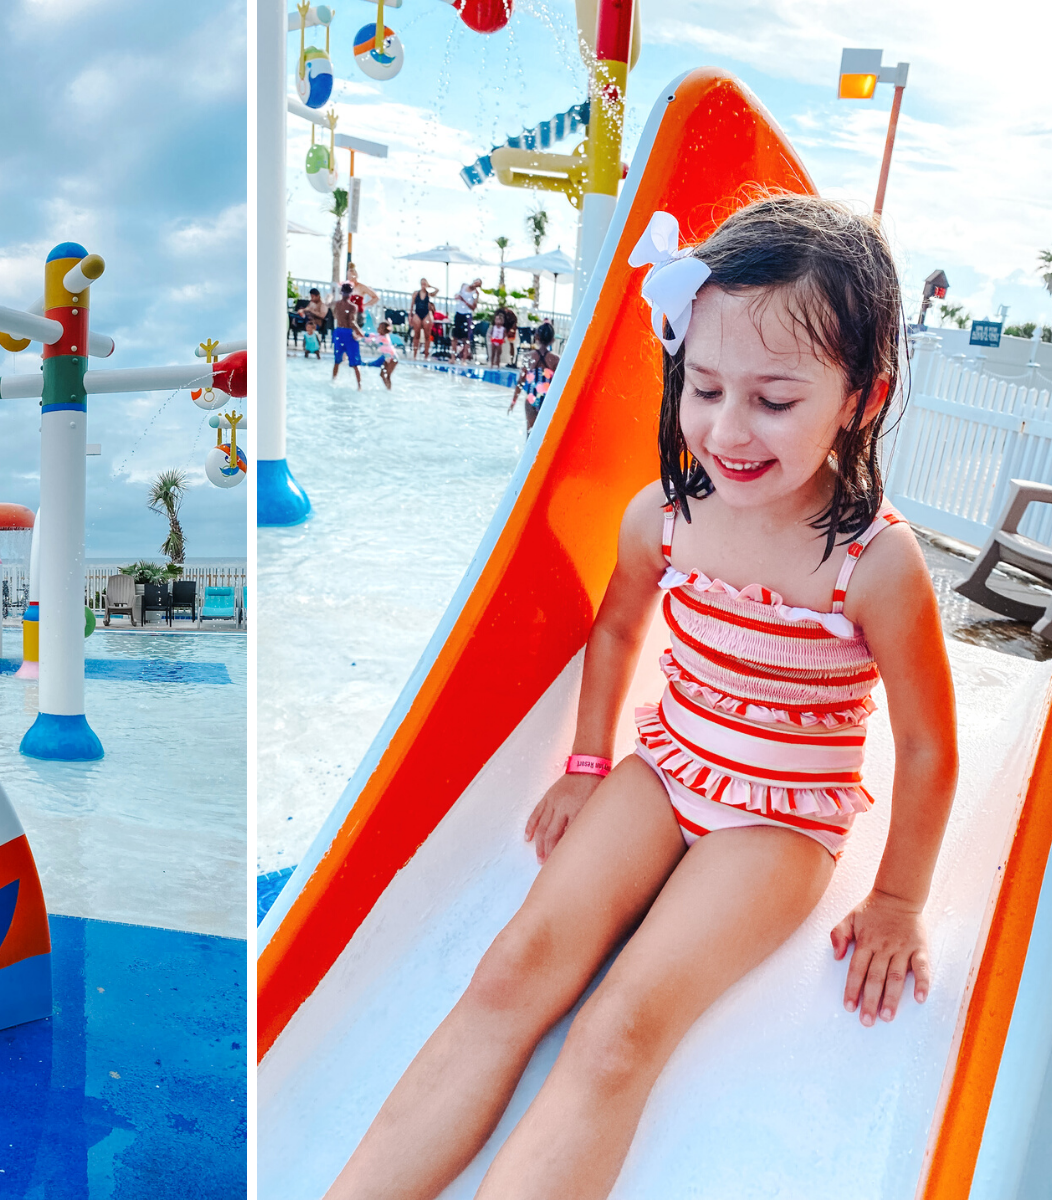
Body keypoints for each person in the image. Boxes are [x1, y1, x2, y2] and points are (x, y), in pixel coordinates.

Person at [322, 195, 955, 1200]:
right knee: (511, 969)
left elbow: (924, 747)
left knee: (619, 1031)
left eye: (773, 401)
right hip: (665, 771)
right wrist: (584, 766)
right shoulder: (661, 517)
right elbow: (616, 628)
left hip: (778, 820)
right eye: (701, 387)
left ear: (861, 399)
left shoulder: (874, 562)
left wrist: (895, 900)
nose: (725, 429)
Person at [510, 320, 559, 428]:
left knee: (530, 432)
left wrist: (513, 401)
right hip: (547, 401)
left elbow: (521, 381)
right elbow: (559, 385)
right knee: (544, 432)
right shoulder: (556, 359)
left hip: (531, 399)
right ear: (552, 340)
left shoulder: (528, 356)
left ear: (536, 337)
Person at [331, 282, 363, 389]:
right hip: (348, 334)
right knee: (355, 363)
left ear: (341, 292)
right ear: (351, 294)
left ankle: (333, 380)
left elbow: (335, 315)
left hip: (338, 332)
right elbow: (352, 322)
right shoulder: (352, 306)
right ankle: (359, 386)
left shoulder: (337, 304)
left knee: (337, 361)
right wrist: (360, 332)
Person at [364, 318, 399, 390]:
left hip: (392, 358)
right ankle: (388, 389)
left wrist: (366, 339)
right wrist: (362, 334)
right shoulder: (379, 335)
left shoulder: (384, 337)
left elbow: (374, 339)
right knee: (382, 375)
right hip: (387, 357)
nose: (377, 328)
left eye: (379, 327)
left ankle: (389, 389)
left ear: (383, 330)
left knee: (387, 375)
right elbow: (371, 335)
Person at [452, 278, 481, 361]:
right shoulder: (464, 286)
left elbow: (473, 307)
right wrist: (457, 297)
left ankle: (464, 358)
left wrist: (464, 301)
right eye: (476, 281)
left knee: (466, 338)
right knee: (455, 337)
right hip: (458, 313)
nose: (475, 284)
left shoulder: (475, 293)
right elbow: (458, 294)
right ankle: (453, 357)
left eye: (477, 283)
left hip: (467, 315)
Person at [409, 278, 438, 359]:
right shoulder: (416, 293)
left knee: (427, 336)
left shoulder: (429, 294)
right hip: (417, 313)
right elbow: (412, 305)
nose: (423, 285)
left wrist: (430, 286)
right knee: (416, 335)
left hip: (426, 314)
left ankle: (426, 355)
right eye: (422, 283)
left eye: (425, 283)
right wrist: (410, 315)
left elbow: (437, 290)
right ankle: (415, 355)